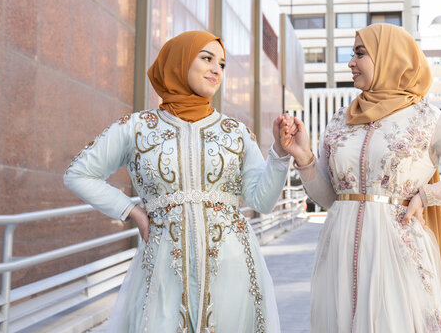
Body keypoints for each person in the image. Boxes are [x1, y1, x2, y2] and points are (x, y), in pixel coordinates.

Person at [64, 31, 294, 333]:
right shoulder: (137, 128)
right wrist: (130, 210)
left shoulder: (235, 132)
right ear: (179, 61)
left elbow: (261, 201)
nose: (216, 70)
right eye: (207, 58)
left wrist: (278, 153)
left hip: (231, 269)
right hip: (164, 271)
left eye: (222, 65)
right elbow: (78, 173)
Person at [279, 23, 441, 332]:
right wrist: (303, 158)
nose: (350, 63)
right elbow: (330, 198)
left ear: (388, 58)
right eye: (351, 54)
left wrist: (428, 196)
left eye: (360, 54)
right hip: (341, 252)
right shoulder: (339, 121)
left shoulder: (425, 118)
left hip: (397, 250)